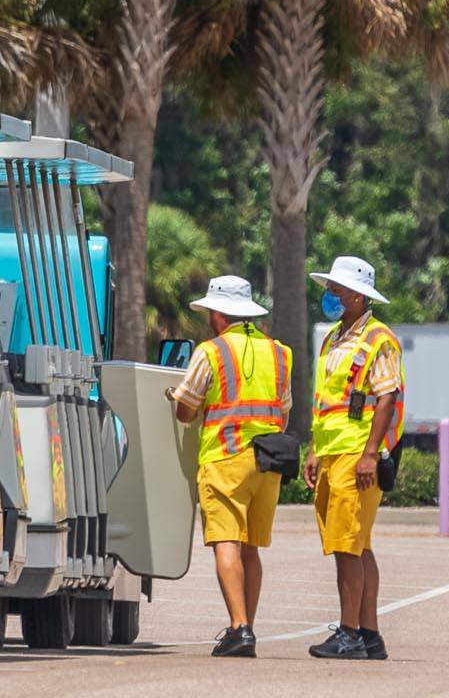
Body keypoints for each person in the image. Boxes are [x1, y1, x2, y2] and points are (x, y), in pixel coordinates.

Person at [169, 275, 293, 658]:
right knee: (251, 548)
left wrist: (175, 399)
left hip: (225, 457)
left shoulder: (212, 352)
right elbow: (283, 413)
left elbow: (186, 410)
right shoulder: (279, 353)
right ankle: (247, 626)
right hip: (267, 460)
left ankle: (239, 628)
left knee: (227, 542)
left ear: (220, 313)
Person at [304, 255, 404, 661]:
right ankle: (368, 635)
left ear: (359, 297)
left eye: (337, 290)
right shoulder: (333, 338)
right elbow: (326, 401)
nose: (329, 295)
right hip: (332, 451)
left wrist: (369, 454)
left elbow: (386, 397)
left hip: (356, 452)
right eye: (329, 288)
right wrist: (314, 450)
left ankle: (349, 633)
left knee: (348, 546)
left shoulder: (378, 339)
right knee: (357, 545)